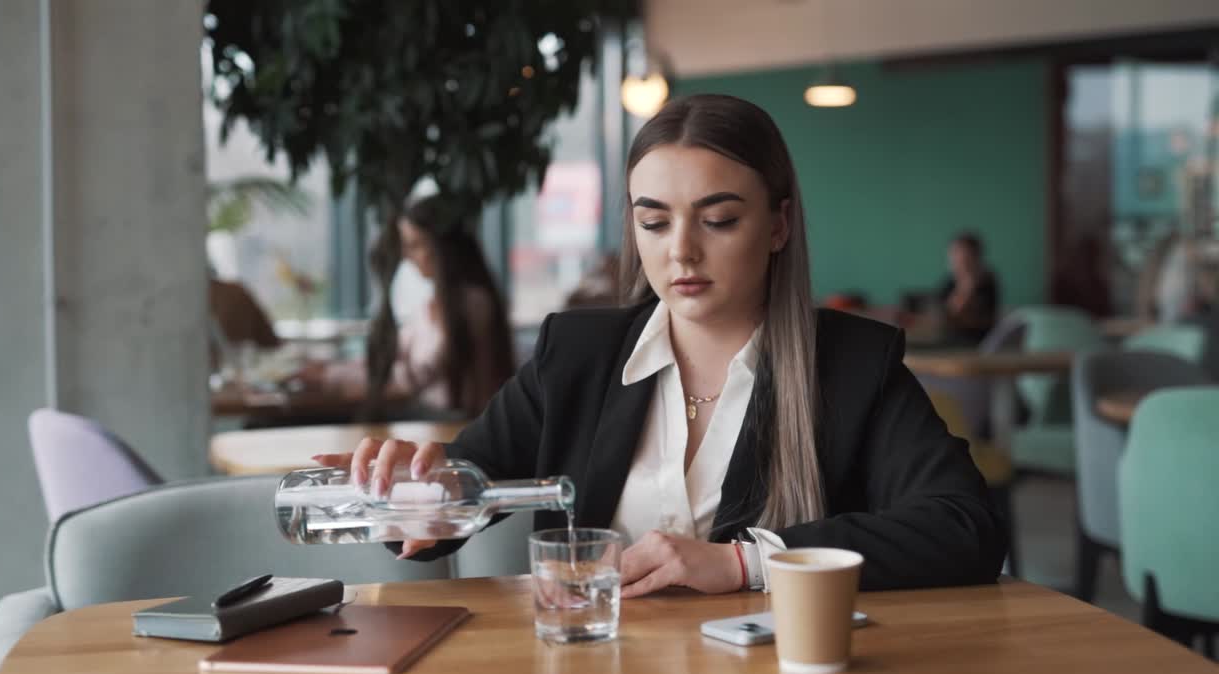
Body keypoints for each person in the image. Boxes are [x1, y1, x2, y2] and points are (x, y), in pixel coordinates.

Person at [315, 95, 1006, 595]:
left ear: (777, 225)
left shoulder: (854, 365)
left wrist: (744, 563)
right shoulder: (577, 354)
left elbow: (964, 528)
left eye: (720, 219)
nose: (681, 252)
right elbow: (466, 479)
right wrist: (418, 493)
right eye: (654, 222)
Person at [299, 195, 515, 419]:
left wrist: (330, 377)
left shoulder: (472, 303)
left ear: (442, 246)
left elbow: (416, 376)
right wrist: (328, 369)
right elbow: (392, 358)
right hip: (434, 418)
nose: (407, 256)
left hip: (452, 421)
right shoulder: (432, 305)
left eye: (415, 245)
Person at [937, 232, 999, 344]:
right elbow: (942, 315)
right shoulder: (949, 282)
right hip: (949, 339)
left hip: (976, 342)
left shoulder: (986, 282)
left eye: (958, 253)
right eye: (952, 253)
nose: (953, 259)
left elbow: (956, 313)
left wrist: (967, 283)